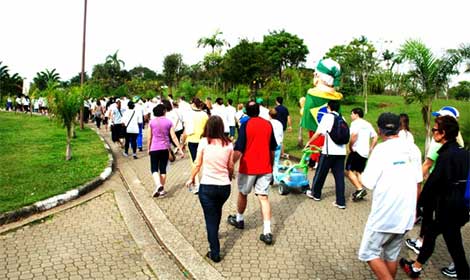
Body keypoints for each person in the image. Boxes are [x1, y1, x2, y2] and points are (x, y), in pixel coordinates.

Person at [400, 116, 469, 280]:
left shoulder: (446, 156)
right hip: (460, 206)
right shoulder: (464, 153)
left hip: (447, 208)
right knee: (430, 234)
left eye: (435, 130)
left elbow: (432, 184)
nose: (433, 133)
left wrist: (418, 204)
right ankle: (416, 268)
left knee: (455, 247)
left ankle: (464, 275)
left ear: (443, 133)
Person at [358, 112, 422, 280]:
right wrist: (414, 210)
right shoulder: (413, 148)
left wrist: (357, 175)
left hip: (385, 215)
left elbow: (368, 182)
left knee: (368, 253)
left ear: (379, 130)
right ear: (400, 128)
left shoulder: (381, 150)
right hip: (406, 214)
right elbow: (418, 183)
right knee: (390, 256)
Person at [227, 101, 277, 245]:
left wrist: (231, 164)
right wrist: (271, 166)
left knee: (243, 193)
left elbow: (239, 149)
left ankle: (239, 219)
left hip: (249, 167)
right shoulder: (268, 124)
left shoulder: (245, 125)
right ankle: (267, 231)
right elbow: (272, 149)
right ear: (259, 111)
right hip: (265, 166)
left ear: (247, 113)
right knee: (263, 197)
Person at [185, 116, 234, 263]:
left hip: (207, 187)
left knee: (210, 219)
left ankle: (215, 252)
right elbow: (230, 166)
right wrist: (229, 176)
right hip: (224, 187)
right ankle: (215, 234)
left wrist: (191, 178)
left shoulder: (204, 142)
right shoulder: (229, 145)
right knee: (217, 211)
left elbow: (197, 163)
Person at [300, 58, 343, 169]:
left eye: (316, 74)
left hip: (316, 128)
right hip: (330, 130)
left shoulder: (312, 94)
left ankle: (314, 161)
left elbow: (306, 113)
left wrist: (302, 106)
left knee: (315, 142)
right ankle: (319, 161)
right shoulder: (337, 97)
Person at [304, 100, 347, 209]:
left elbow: (318, 133)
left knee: (320, 173)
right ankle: (340, 202)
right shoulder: (343, 118)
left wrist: (309, 142)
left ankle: (315, 194)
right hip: (341, 152)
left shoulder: (327, 117)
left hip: (329, 152)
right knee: (339, 177)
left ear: (329, 107)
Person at [148, 104, 184, 198]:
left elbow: (149, 137)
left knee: (154, 169)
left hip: (154, 148)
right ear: (164, 111)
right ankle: (162, 190)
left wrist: (148, 148)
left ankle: (158, 185)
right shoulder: (168, 122)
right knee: (163, 169)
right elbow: (173, 137)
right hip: (165, 148)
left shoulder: (151, 122)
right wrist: (180, 148)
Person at [345, 107, 378, 201]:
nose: (351, 116)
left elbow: (353, 136)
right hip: (365, 152)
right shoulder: (367, 124)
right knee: (359, 171)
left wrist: (350, 147)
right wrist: (371, 148)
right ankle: (362, 188)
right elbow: (375, 137)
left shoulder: (355, 123)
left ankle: (360, 189)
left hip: (356, 151)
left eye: (352, 114)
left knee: (348, 171)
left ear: (356, 114)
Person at [181, 97, 209, 194]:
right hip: (203, 140)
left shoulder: (188, 115)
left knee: (195, 162)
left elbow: (185, 131)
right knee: (204, 162)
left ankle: (197, 185)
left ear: (192, 104)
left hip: (192, 140)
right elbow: (208, 129)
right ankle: (205, 183)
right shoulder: (204, 115)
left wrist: (182, 144)